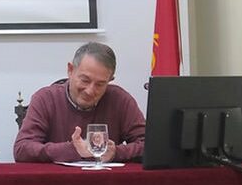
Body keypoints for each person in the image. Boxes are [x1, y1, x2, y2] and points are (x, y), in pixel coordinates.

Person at [13, 42, 145, 163]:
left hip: (108, 184)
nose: (90, 91)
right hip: (56, 184)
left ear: (110, 80)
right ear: (70, 70)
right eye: (85, 80)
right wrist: (70, 150)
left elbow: (151, 145)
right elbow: (22, 149)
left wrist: (117, 152)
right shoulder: (46, 98)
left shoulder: (120, 100)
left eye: (100, 84)